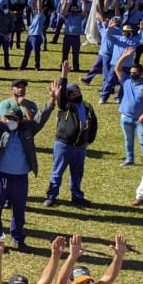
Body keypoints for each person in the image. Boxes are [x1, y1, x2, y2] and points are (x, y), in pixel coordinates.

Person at [0, 79, 54, 251]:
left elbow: (40, 118)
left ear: (21, 120)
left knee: (19, 210)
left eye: (16, 118)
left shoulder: (28, 130)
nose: (12, 120)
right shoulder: (1, 129)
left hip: (20, 176)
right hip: (1, 175)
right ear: (5, 118)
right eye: (10, 118)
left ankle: (18, 238)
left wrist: (52, 100)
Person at [43, 65, 97, 208]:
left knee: (77, 174)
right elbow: (60, 97)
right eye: (72, 94)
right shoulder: (64, 106)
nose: (76, 95)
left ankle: (77, 196)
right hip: (63, 145)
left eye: (77, 92)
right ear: (67, 96)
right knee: (57, 172)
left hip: (79, 147)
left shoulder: (87, 106)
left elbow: (94, 125)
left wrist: (89, 141)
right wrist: (64, 75)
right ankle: (51, 196)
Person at [114, 48, 143, 167]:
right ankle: (129, 159)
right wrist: (124, 56)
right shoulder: (126, 81)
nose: (132, 74)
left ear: (141, 72)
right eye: (131, 72)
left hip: (140, 119)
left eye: (135, 72)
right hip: (125, 117)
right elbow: (117, 69)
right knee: (128, 140)